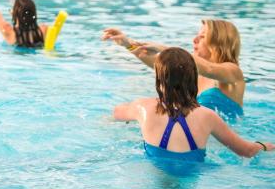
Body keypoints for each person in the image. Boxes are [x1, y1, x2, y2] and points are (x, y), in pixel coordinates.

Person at [112, 48, 272, 162]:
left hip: (155, 171)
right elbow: (247, 151)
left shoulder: (143, 108)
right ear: (192, 78)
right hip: (193, 175)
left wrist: (130, 110)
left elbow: (117, 112)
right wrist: (265, 146)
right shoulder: (208, 116)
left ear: (159, 79)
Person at [103, 20, 246, 120]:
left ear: (219, 43)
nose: (194, 39)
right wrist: (128, 44)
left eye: (202, 37)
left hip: (226, 143)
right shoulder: (194, 73)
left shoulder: (233, 72)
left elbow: (209, 68)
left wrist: (165, 49)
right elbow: (159, 64)